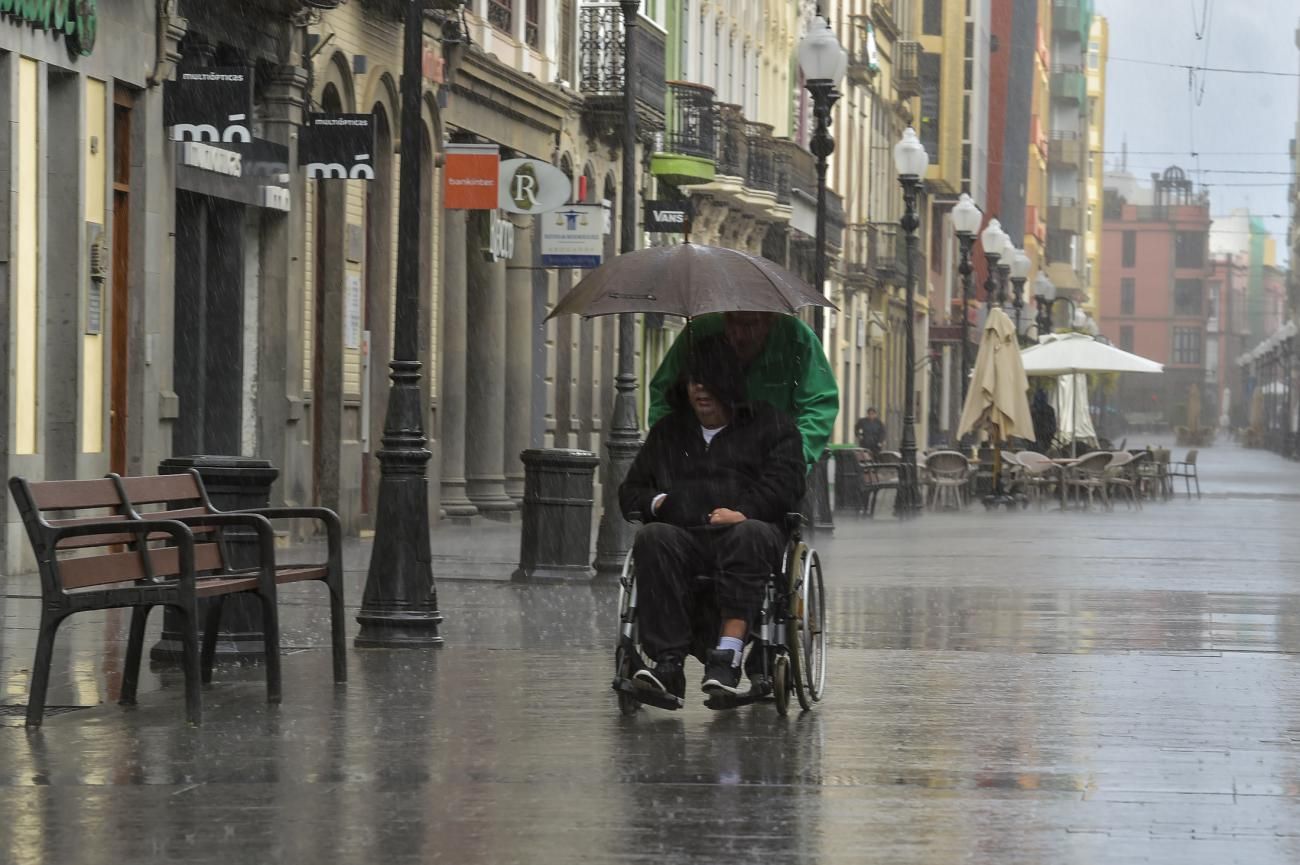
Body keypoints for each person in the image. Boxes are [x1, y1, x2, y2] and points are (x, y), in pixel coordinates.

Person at [620, 335, 806, 701]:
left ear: (729, 383)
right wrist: (660, 504)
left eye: (708, 380)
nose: (700, 389)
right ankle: (668, 664)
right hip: (686, 536)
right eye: (693, 381)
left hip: (749, 534)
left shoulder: (771, 427)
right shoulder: (669, 433)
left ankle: (728, 656)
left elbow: (786, 483)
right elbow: (632, 490)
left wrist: (744, 511)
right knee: (653, 538)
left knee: (749, 534)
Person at [648, 312, 838, 471]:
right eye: (731, 321)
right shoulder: (698, 332)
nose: (738, 335)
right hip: (704, 468)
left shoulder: (797, 339)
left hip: (775, 466)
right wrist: (670, 449)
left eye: (750, 325)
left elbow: (819, 405)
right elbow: (664, 394)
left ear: (771, 320)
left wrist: (793, 457)